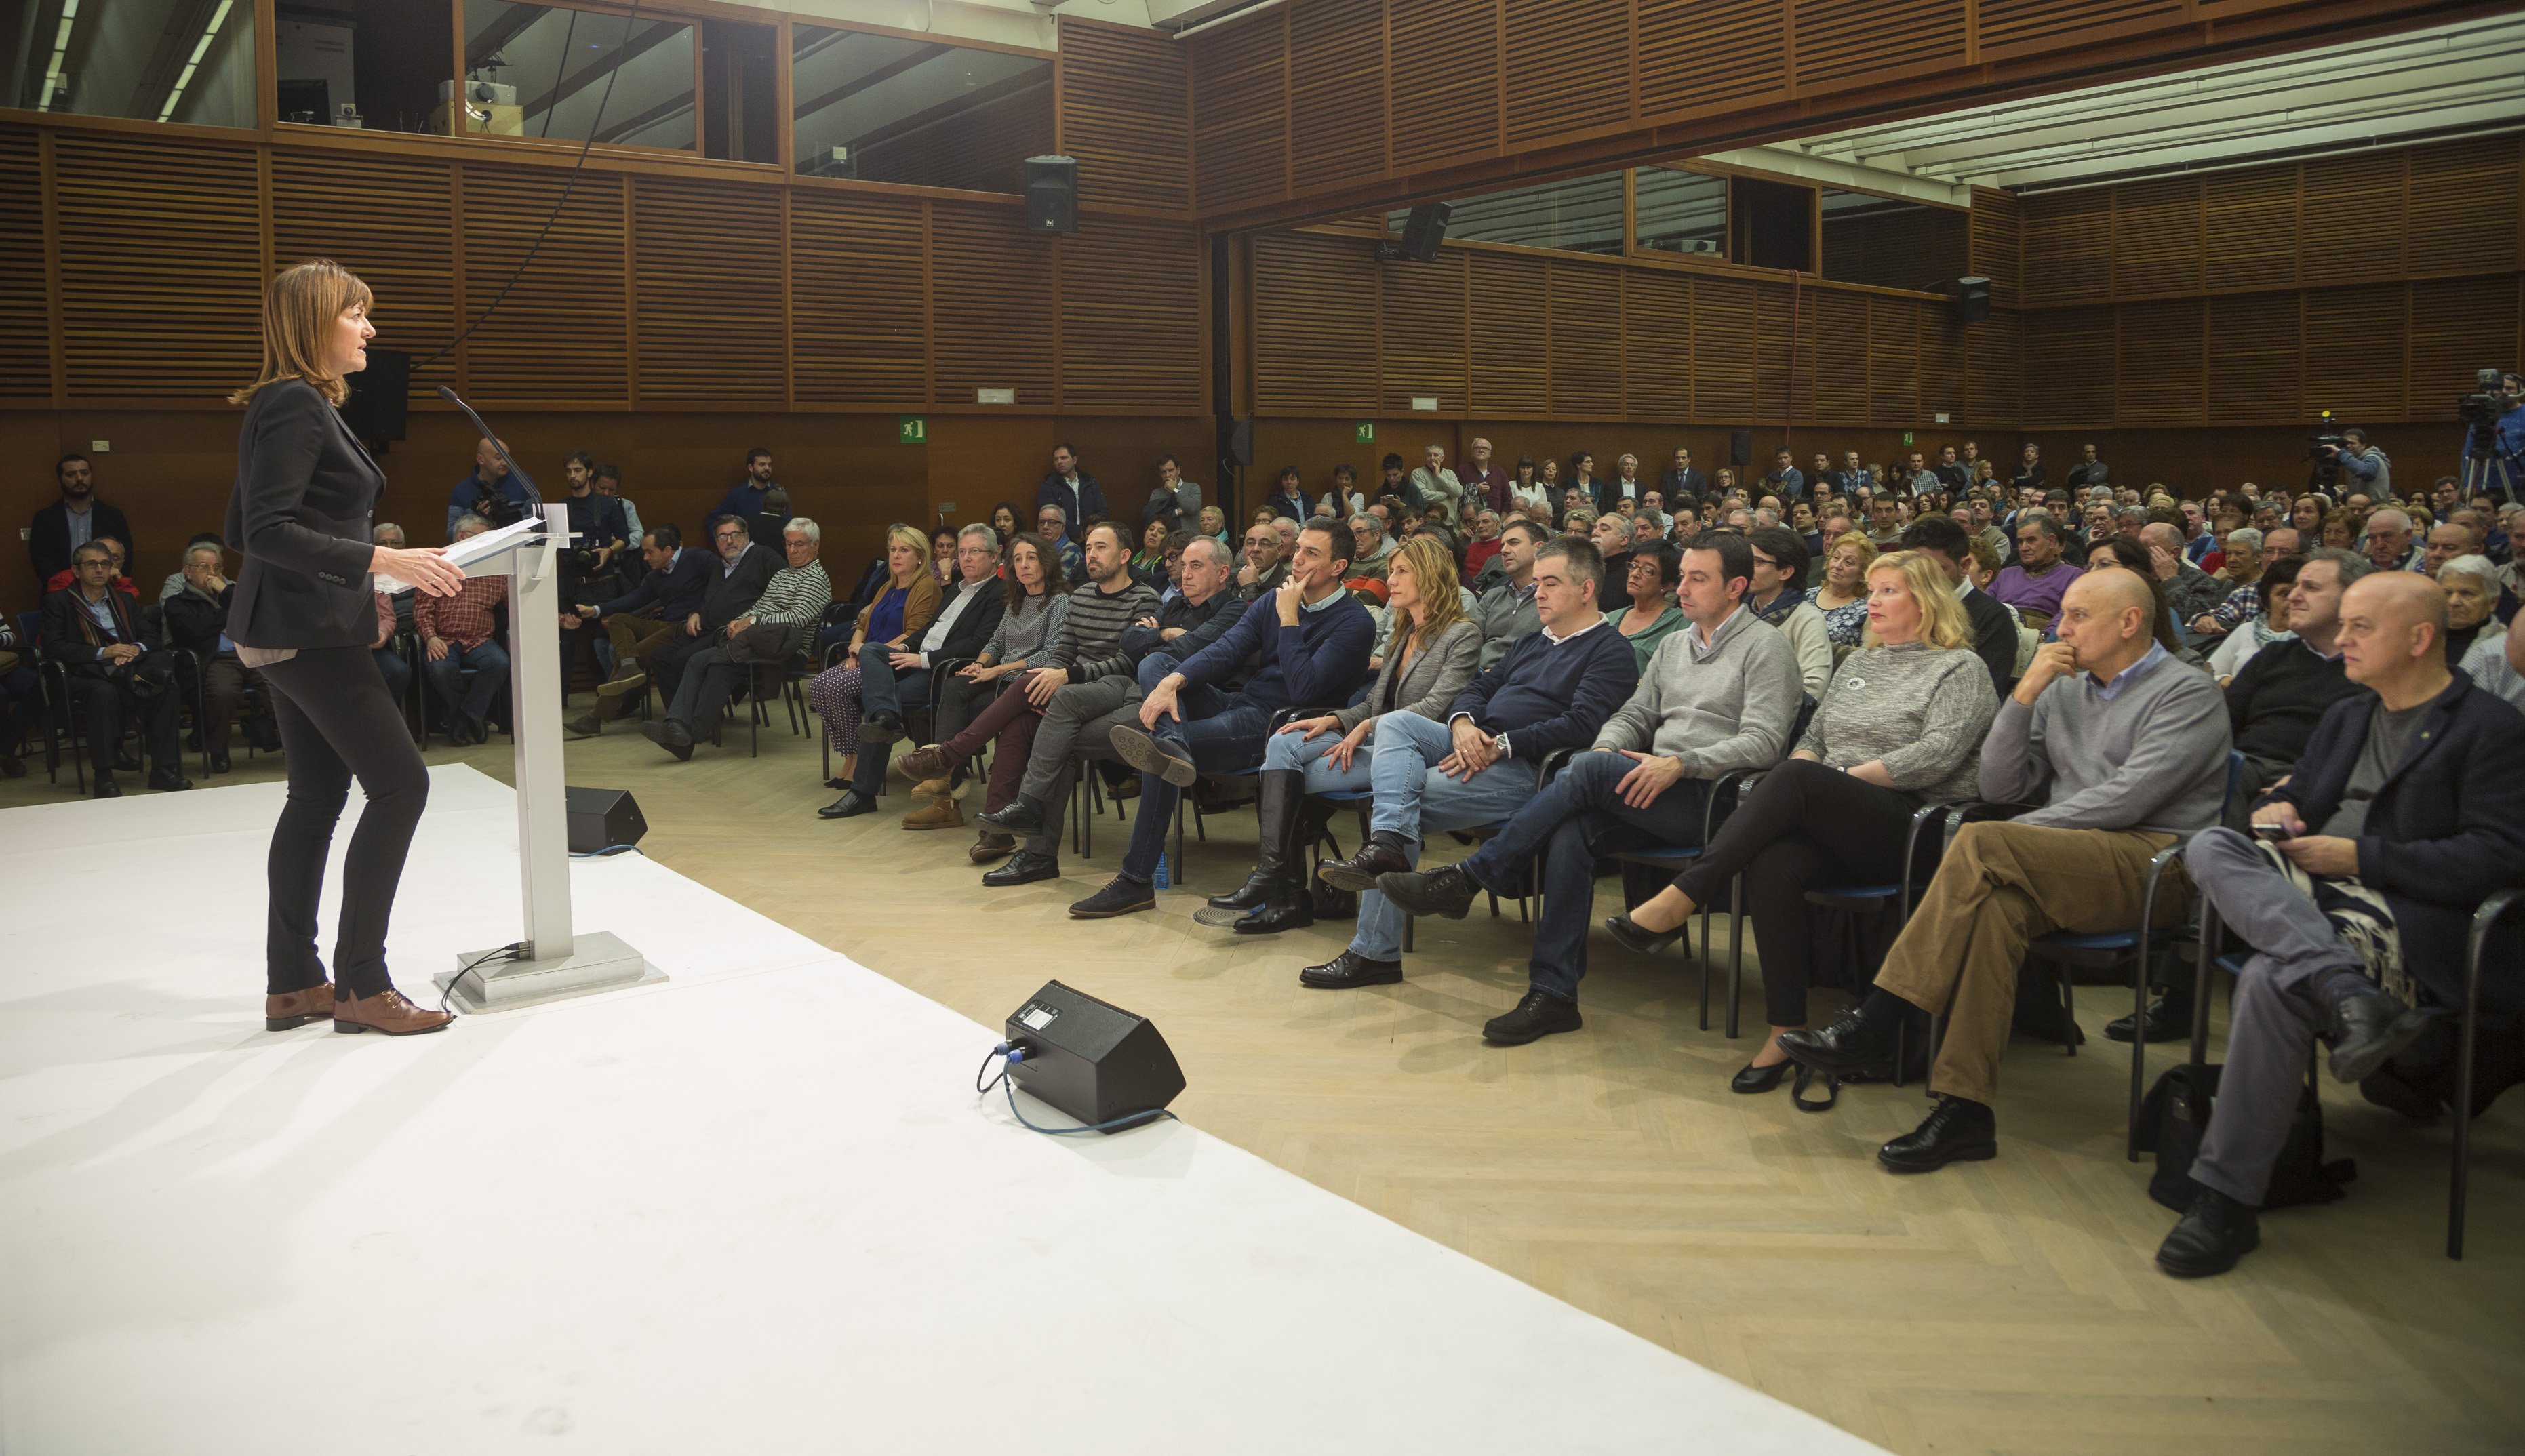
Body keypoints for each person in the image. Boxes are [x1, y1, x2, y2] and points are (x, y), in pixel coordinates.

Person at [1777, 569, 2231, 1171]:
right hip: (2063, 856)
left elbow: (2129, 800)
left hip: (2155, 863)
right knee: (1993, 911)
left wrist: (2017, 835)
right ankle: (1965, 1112)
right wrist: (2023, 697)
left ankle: (1878, 1019)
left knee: (1981, 840)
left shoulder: (2188, 692)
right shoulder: (2064, 689)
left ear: (2130, 622)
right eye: (2062, 615)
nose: (2060, 629)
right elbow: (2000, 786)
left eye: (2077, 616)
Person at [2156, 572, 2525, 1278]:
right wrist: (2280, 809)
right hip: (2317, 893)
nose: (2342, 639)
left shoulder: (2489, 729)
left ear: (2419, 638)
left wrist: (2361, 857)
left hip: (2412, 915)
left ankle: (2225, 1200)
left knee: (2272, 978)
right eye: (2345, 623)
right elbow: (2301, 792)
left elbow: (2499, 857)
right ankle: (2346, 989)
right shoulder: (2349, 714)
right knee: (2211, 845)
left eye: (2361, 627)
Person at [1376, 534, 1793, 1041]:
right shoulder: (1674, 645)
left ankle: (1471, 877)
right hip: (1649, 786)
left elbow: (1765, 743)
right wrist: (1607, 750)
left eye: (1697, 579)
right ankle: (1554, 995)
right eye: (1682, 576)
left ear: (1737, 587)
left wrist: (1681, 764)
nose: (1681, 588)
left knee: (1587, 770)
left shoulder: (1766, 646)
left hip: (1714, 800)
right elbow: (1633, 717)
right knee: (1573, 828)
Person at [1613, 550, 1999, 1089]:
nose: (1872, 601)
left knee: (1797, 778)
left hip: (1915, 824)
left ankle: (1686, 894)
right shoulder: (1859, 664)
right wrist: (1820, 779)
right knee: (1775, 863)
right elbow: (1814, 738)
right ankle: (1784, 1030)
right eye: (1871, 590)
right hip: (1840, 817)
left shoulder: (1960, 668)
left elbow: (1937, 755)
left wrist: (1838, 780)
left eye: (1888, 591)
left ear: (1928, 601)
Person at [223, 259, 463, 1036]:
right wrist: (381, 559)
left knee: (317, 798)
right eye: (356, 314)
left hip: (288, 626)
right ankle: (363, 985)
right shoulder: (295, 402)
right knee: (401, 786)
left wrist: (367, 565)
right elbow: (264, 531)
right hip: (308, 630)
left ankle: (294, 984)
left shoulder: (287, 402)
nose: (369, 328)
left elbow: (240, 527)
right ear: (313, 323)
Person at [1073, 521, 1376, 919]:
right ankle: (1173, 744)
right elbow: (1226, 649)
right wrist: (1174, 681)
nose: (1297, 560)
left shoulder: (1355, 622)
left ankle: (1135, 880)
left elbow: (1304, 690)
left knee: (1158, 755)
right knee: (1157, 664)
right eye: (1299, 549)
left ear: (1338, 567)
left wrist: (1289, 619)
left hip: (1279, 727)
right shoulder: (1273, 602)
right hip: (1239, 704)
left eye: (1311, 554)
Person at [969, 535, 1248, 886]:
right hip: (1137, 695)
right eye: (1184, 565)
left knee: (1060, 741)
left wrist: (1156, 637)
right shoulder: (1174, 605)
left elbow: (1191, 648)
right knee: (1061, 727)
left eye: (1196, 566)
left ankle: (1036, 842)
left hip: (1186, 708)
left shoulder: (1234, 610)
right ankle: (1034, 835)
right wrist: (1166, 634)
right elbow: (1129, 642)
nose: (1185, 573)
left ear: (1222, 573)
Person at [892, 522, 1156, 845]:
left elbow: (1128, 662)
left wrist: (1055, 674)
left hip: (1113, 686)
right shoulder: (1083, 595)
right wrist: (1046, 674)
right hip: (1065, 680)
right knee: (1011, 722)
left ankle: (946, 756)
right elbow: (1063, 652)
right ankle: (996, 834)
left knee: (1023, 686)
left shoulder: (1143, 598)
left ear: (1125, 555)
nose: (1091, 555)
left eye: (1101, 548)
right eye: (1088, 548)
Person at [906, 533, 1069, 842]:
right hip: (998, 677)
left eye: (1031, 558)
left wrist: (998, 669)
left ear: (1047, 563)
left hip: (1026, 682)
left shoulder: (1059, 601)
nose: (1023, 565)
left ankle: (944, 782)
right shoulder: (1016, 600)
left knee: (972, 711)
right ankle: (943, 779)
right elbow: (996, 642)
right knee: (956, 685)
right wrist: (981, 664)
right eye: (1018, 560)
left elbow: (1051, 654)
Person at [651, 517, 833, 761]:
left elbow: (798, 618)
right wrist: (738, 621)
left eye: (799, 544)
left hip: (786, 651)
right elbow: (760, 605)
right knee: (697, 660)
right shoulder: (783, 575)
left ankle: (688, 738)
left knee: (719, 665)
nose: (792, 550)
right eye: (788, 544)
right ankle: (675, 725)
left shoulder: (815, 578)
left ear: (815, 544)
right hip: (756, 644)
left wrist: (752, 622)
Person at [806, 525, 940, 804]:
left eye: (904, 550)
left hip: (892, 663)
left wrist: (869, 652)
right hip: (867, 656)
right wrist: (856, 649)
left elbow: (914, 634)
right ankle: (851, 757)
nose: (896, 556)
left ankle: (858, 764)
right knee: (818, 686)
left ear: (920, 556)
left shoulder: (926, 586)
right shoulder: (887, 586)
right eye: (893, 550)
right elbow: (862, 623)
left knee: (836, 689)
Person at [43, 540, 186, 797]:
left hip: (129, 667)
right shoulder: (58, 602)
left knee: (167, 687)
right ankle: (104, 775)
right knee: (104, 693)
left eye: (105, 564)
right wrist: (104, 652)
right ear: (76, 570)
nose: (100, 569)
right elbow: (54, 647)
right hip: (85, 671)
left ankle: (163, 769)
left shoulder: (124, 599)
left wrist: (135, 648)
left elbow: (151, 636)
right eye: (92, 564)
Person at [562, 525, 711, 737]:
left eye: (649, 552)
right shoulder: (655, 576)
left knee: (626, 658)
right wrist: (594, 610)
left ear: (667, 551)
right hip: (666, 624)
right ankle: (629, 667)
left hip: (688, 627)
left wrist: (701, 612)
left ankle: (595, 718)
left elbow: (722, 583)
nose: (645, 558)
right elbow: (632, 600)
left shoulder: (697, 558)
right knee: (617, 620)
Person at [163, 540, 279, 773]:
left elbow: (257, 610)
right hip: (217, 660)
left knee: (281, 686)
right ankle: (218, 750)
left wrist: (226, 593)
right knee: (223, 693)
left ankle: (296, 743)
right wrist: (234, 613)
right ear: (188, 571)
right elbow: (195, 629)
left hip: (251, 655)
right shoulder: (178, 602)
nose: (212, 573)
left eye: (217, 568)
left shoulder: (230, 594)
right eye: (204, 567)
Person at [416, 514, 511, 744]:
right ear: (462, 536)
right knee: (441, 669)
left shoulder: (495, 569)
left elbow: (517, 602)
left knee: (499, 663)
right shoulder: (436, 566)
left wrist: (558, 615)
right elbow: (422, 610)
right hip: (444, 638)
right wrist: (431, 637)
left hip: (480, 640)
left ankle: (462, 716)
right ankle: (472, 716)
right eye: (484, 539)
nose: (489, 545)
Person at [1898, 516, 2018, 695]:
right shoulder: (1900, 607)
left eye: (1936, 571)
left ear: (1964, 566)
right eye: (1914, 571)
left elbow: (1982, 697)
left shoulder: (1994, 618)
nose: (1923, 581)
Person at [1743, 526, 1833, 701]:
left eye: (1758, 562)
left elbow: (1813, 688)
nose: (1747, 568)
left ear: (1785, 572)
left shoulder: (1807, 620)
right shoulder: (1741, 612)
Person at [28, 452, 136, 586]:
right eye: (71, 474)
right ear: (59, 480)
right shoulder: (45, 518)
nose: (79, 478)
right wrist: (68, 587)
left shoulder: (113, 516)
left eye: (85, 473)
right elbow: (41, 562)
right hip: (61, 592)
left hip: (106, 590)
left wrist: (109, 584)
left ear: (91, 476)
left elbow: (125, 558)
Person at [2206, 559, 2301, 683]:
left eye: (2300, 594)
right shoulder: (2247, 630)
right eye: (2284, 594)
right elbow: (2207, 677)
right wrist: (2225, 681)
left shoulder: (2314, 639)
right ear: (2265, 602)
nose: (2293, 601)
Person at [1471, 519, 1547, 667]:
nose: (1504, 550)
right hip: (1479, 674)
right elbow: (1470, 641)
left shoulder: (1554, 598)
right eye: (1503, 545)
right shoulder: (1492, 596)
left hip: (1524, 675)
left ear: (1539, 548)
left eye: (1514, 543)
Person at [1604, 545, 1686, 670]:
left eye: (1647, 570)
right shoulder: (1610, 618)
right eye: (1633, 566)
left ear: (1666, 585)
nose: (1635, 574)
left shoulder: (1680, 624)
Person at [1989, 514, 2081, 621]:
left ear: (2051, 541)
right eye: (2020, 542)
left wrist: (2041, 633)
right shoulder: (2004, 575)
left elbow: (2067, 616)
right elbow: (1985, 608)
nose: (2023, 548)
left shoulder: (2073, 576)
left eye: (2031, 540)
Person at [446, 435, 535, 540]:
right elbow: (451, 533)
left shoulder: (523, 480)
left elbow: (538, 518)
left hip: (518, 545)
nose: (505, 463)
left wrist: (505, 522)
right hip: (481, 547)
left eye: (507, 457)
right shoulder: (461, 490)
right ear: (481, 459)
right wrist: (477, 520)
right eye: (498, 458)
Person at [2437, 553, 2506, 665]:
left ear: (2493, 602)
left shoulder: (2507, 650)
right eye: (2447, 593)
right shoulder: (2420, 638)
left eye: (2467, 593)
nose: (2453, 602)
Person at [1813, 531, 1875, 650]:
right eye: (1836, 557)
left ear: (1862, 574)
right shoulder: (1807, 596)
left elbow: (1867, 654)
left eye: (1848, 562)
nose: (1838, 565)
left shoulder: (1867, 610)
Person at [1035, 443, 1104, 545]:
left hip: (1091, 537)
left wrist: (1089, 532)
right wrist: (1079, 532)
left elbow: (1102, 511)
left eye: (1064, 458)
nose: (1059, 462)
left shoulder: (1090, 483)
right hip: (1062, 541)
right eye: (1056, 459)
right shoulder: (1048, 486)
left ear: (1074, 460)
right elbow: (1050, 516)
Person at [1144, 455, 1201, 535]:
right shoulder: (1156, 493)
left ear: (1178, 470)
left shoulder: (1193, 487)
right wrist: (1176, 512)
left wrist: (1175, 490)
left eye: (1171, 470)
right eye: (1163, 472)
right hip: (1166, 539)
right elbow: (1151, 517)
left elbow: (1193, 508)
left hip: (1190, 538)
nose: (1167, 475)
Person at [1233, 518, 1287, 602]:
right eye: (1250, 543)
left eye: (1264, 544)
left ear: (1279, 550)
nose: (1256, 549)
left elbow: (1255, 611)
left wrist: (1249, 586)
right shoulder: (1228, 577)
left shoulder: (1286, 585)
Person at [1410, 444, 1465, 525]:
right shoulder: (1418, 473)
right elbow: (1421, 495)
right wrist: (1445, 494)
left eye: (1436, 455)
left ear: (1442, 458)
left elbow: (1458, 492)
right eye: (1429, 455)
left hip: (1449, 523)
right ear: (1425, 457)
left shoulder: (1450, 473)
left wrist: (1439, 476)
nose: (1432, 458)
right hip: (1427, 523)